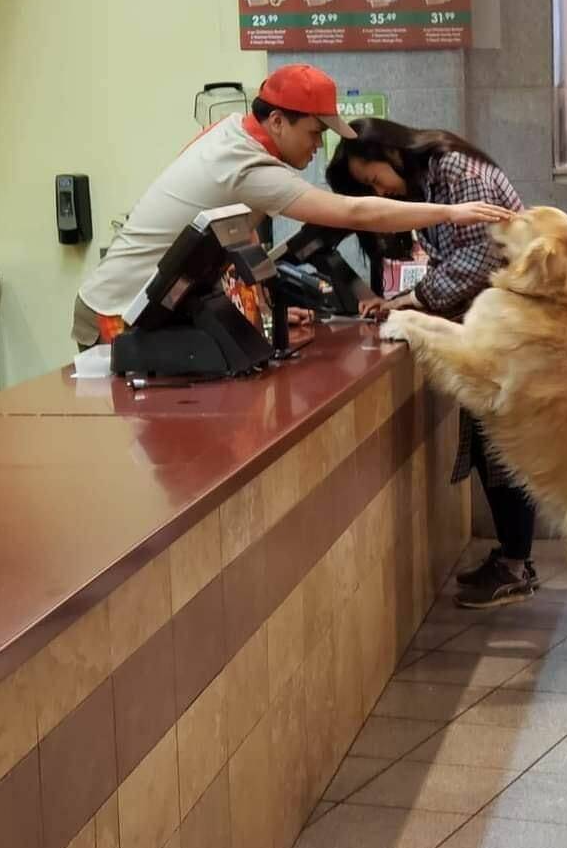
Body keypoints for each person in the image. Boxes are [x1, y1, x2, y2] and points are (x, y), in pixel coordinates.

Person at [73, 65, 510, 349]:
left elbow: (226, 250)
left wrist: (263, 308)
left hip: (157, 308)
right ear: (277, 121)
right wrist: (451, 212)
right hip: (119, 313)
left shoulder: (233, 134)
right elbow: (356, 213)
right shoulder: (245, 164)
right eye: (314, 133)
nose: (318, 146)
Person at [326, 117, 538, 610]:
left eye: (376, 180)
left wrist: (414, 300)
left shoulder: (454, 171)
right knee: (492, 444)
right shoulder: (436, 177)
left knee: (501, 446)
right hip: (494, 323)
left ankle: (516, 564)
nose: (381, 190)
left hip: (510, 327)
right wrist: (411, 300)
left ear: (392, 153)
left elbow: (483, 258)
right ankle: (512, 557)